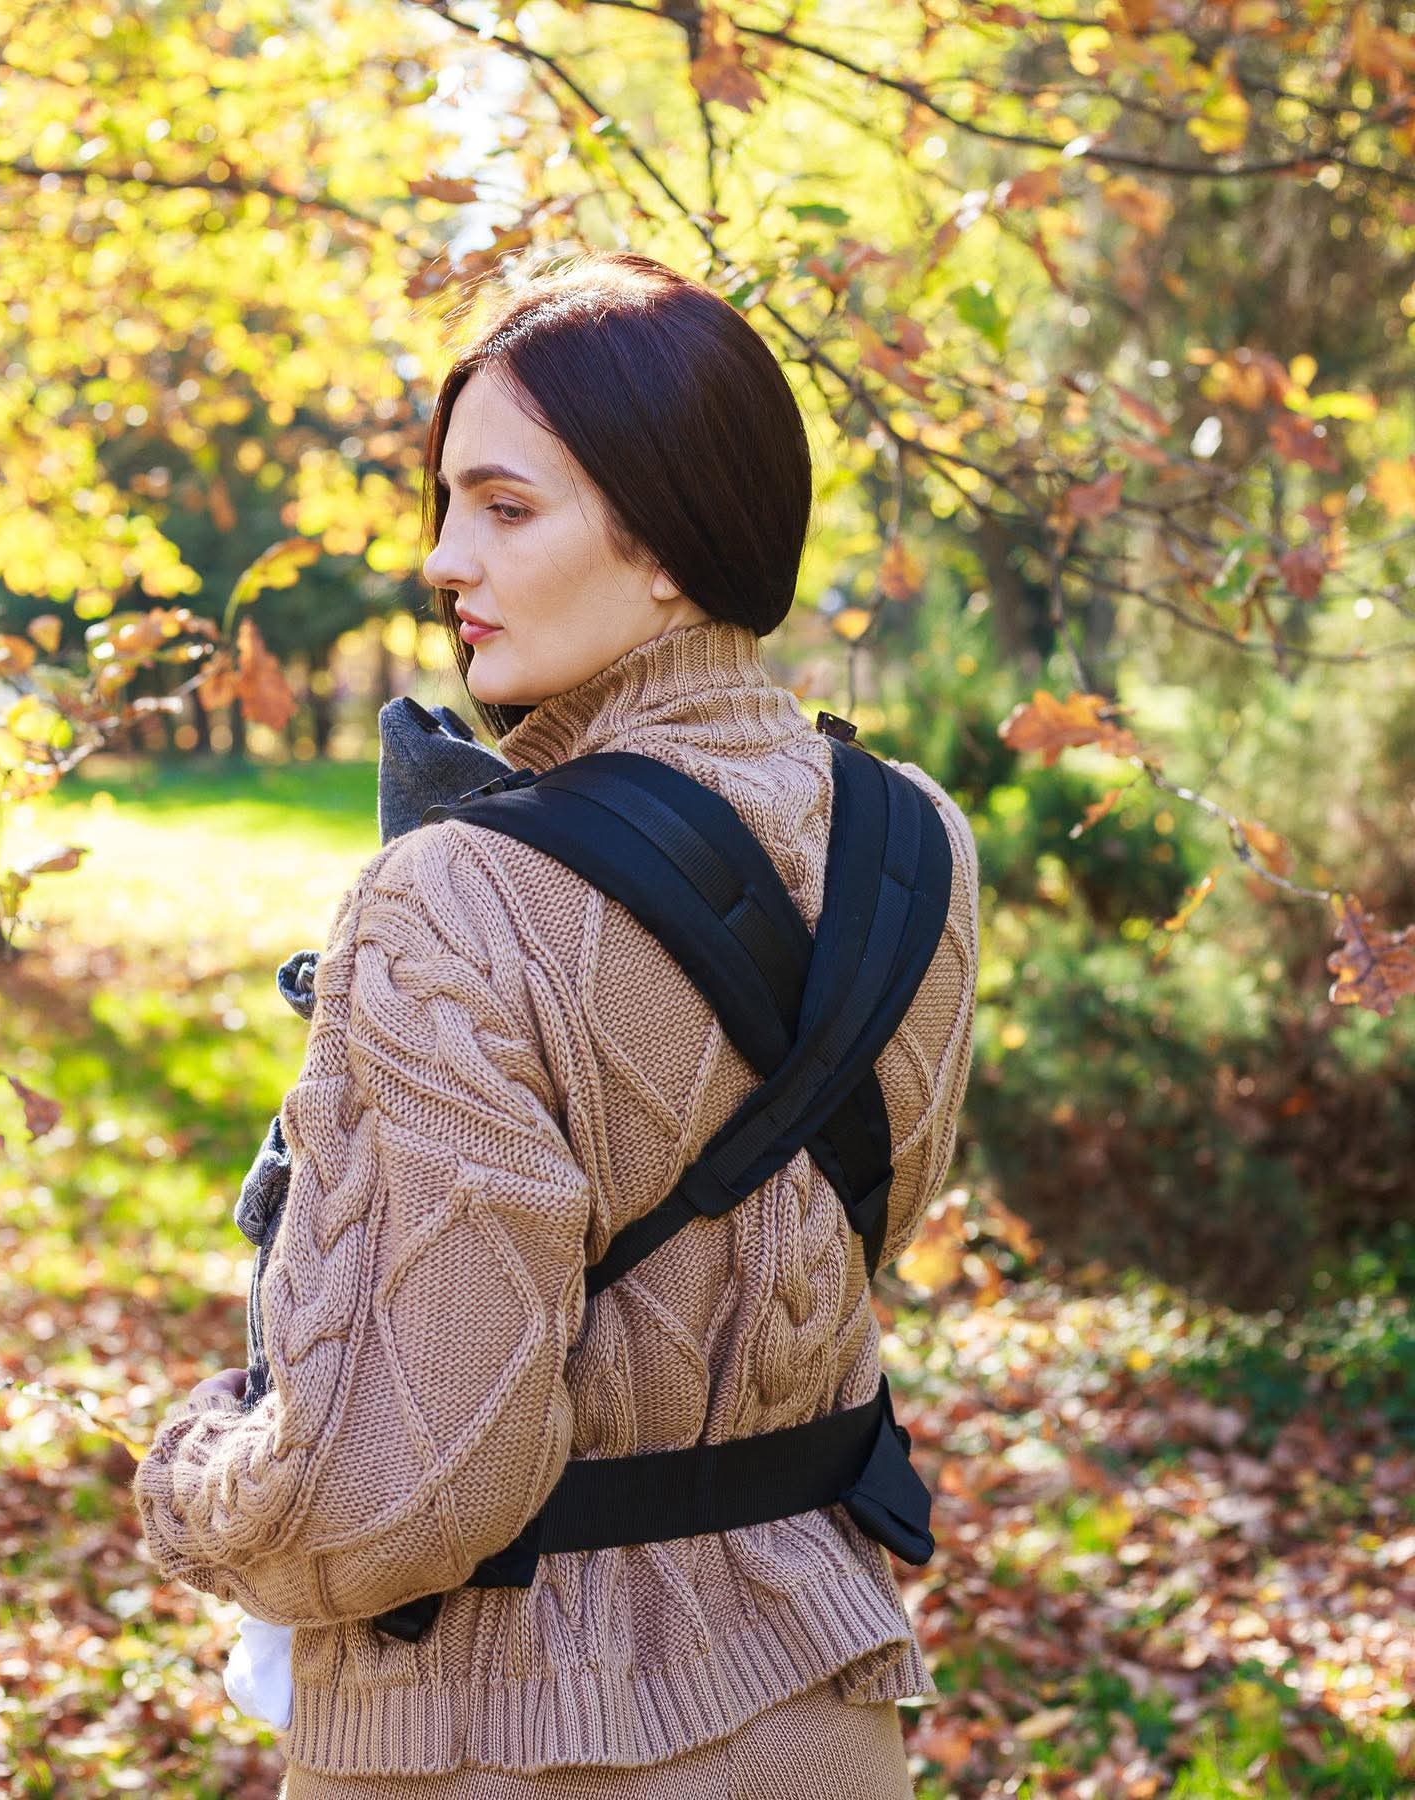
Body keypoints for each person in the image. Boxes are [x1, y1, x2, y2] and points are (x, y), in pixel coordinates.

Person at [133, 251, 980, 1798]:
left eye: (507, 510)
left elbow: (405, 1490)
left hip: (502, 1738)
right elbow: (848, 1228)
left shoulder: (454, 899)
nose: (446, 560)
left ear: (668, 541)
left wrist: (196, 1475)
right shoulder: (915, 839)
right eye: (447, 505)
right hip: (821, 1712)